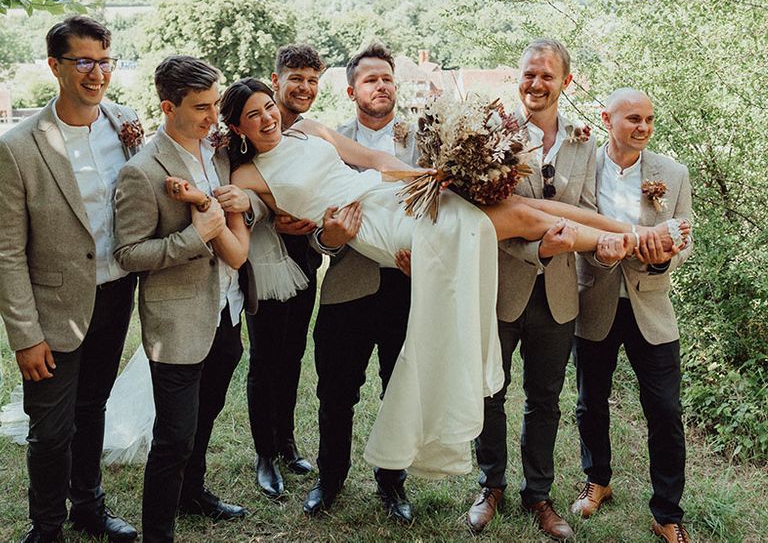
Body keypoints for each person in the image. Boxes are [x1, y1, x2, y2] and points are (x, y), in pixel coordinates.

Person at [202, 77, 686, 484]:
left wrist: (431, 178)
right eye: (253, 116)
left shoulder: (308, 129)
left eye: (268, 106)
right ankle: (628, 239)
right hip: (374, 228)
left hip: (391, 194)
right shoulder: (245, 176)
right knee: (515, 218)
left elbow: (377, 163)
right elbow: (252, 229)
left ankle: (634, 233)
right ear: (237, 127)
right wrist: (254, 213)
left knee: (518, 208)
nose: (268, 119)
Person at [0, 15, 140, 543]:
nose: (96, 73)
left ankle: (89, 506)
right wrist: (25, 335)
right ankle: (47, 527)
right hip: (53, 308)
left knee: (92, 408)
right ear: (55, 65)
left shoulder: (125, 123)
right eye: (83, 62)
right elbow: (7, 252)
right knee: (52, 428)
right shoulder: (19, 146)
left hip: (115, 293)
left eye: (104, 62)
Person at [113, 56, 252, 543]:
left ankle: (193, 493)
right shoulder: (141, 171)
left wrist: (242, 209)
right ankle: (159, 534)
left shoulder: (216, 156)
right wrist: (194, 238)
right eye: (201, 107)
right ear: (168, 107)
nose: (213, 117)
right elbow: (128, 254)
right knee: (172, 438)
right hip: (176, 324)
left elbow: (231, 218)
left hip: (227, 314)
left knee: (203, 419)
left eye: (215, 104)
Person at [468, 38, 596, 540]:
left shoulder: (586, 142)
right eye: (529, 74)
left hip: (561, 292)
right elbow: (485, 220)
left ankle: (539, 495)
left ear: (566, 81)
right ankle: (491, 485)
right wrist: (533, 250)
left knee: (545, 398)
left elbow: (585, 210)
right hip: (502, 287)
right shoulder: (490, 138)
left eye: (547, 75)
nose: (536, 84)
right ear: (517, 78)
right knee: (490, 392)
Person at [570, 89, 693, 543]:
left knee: (664, 408)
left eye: (649, 120)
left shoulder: (673, 174)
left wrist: (664, 257)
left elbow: (686, 237)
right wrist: (601, 255)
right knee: (590, 402)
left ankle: (666, 510)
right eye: (633, 119)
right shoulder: (583, 167)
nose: (643, 127)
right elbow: (576, 227)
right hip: (595, 302)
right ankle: (597, 479)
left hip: (651, 306)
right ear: (607, 119)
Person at [305, 43, 421, 521]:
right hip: (347, 288)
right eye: (370, 79)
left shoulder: (426, 141)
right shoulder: (327, 144)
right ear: (352, 91)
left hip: (410, 289)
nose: (381, 86)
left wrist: (432, 258)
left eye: (387, 78)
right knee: (336, 390)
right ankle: (329, 478)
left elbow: (454, 212)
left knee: (400, 389)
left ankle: (392, 482)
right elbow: (311, 215)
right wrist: (328, 239)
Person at [247, 44, 325, 498]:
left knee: (293, 354)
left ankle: (287, 442)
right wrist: (267, 209)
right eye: (296, 78)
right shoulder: (251, 125)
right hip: (261, 263)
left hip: (305, 259)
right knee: (263, 358)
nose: (304, 88)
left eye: (313, 80)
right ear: (276, 80)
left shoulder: (314, 137)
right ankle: (263, 454)